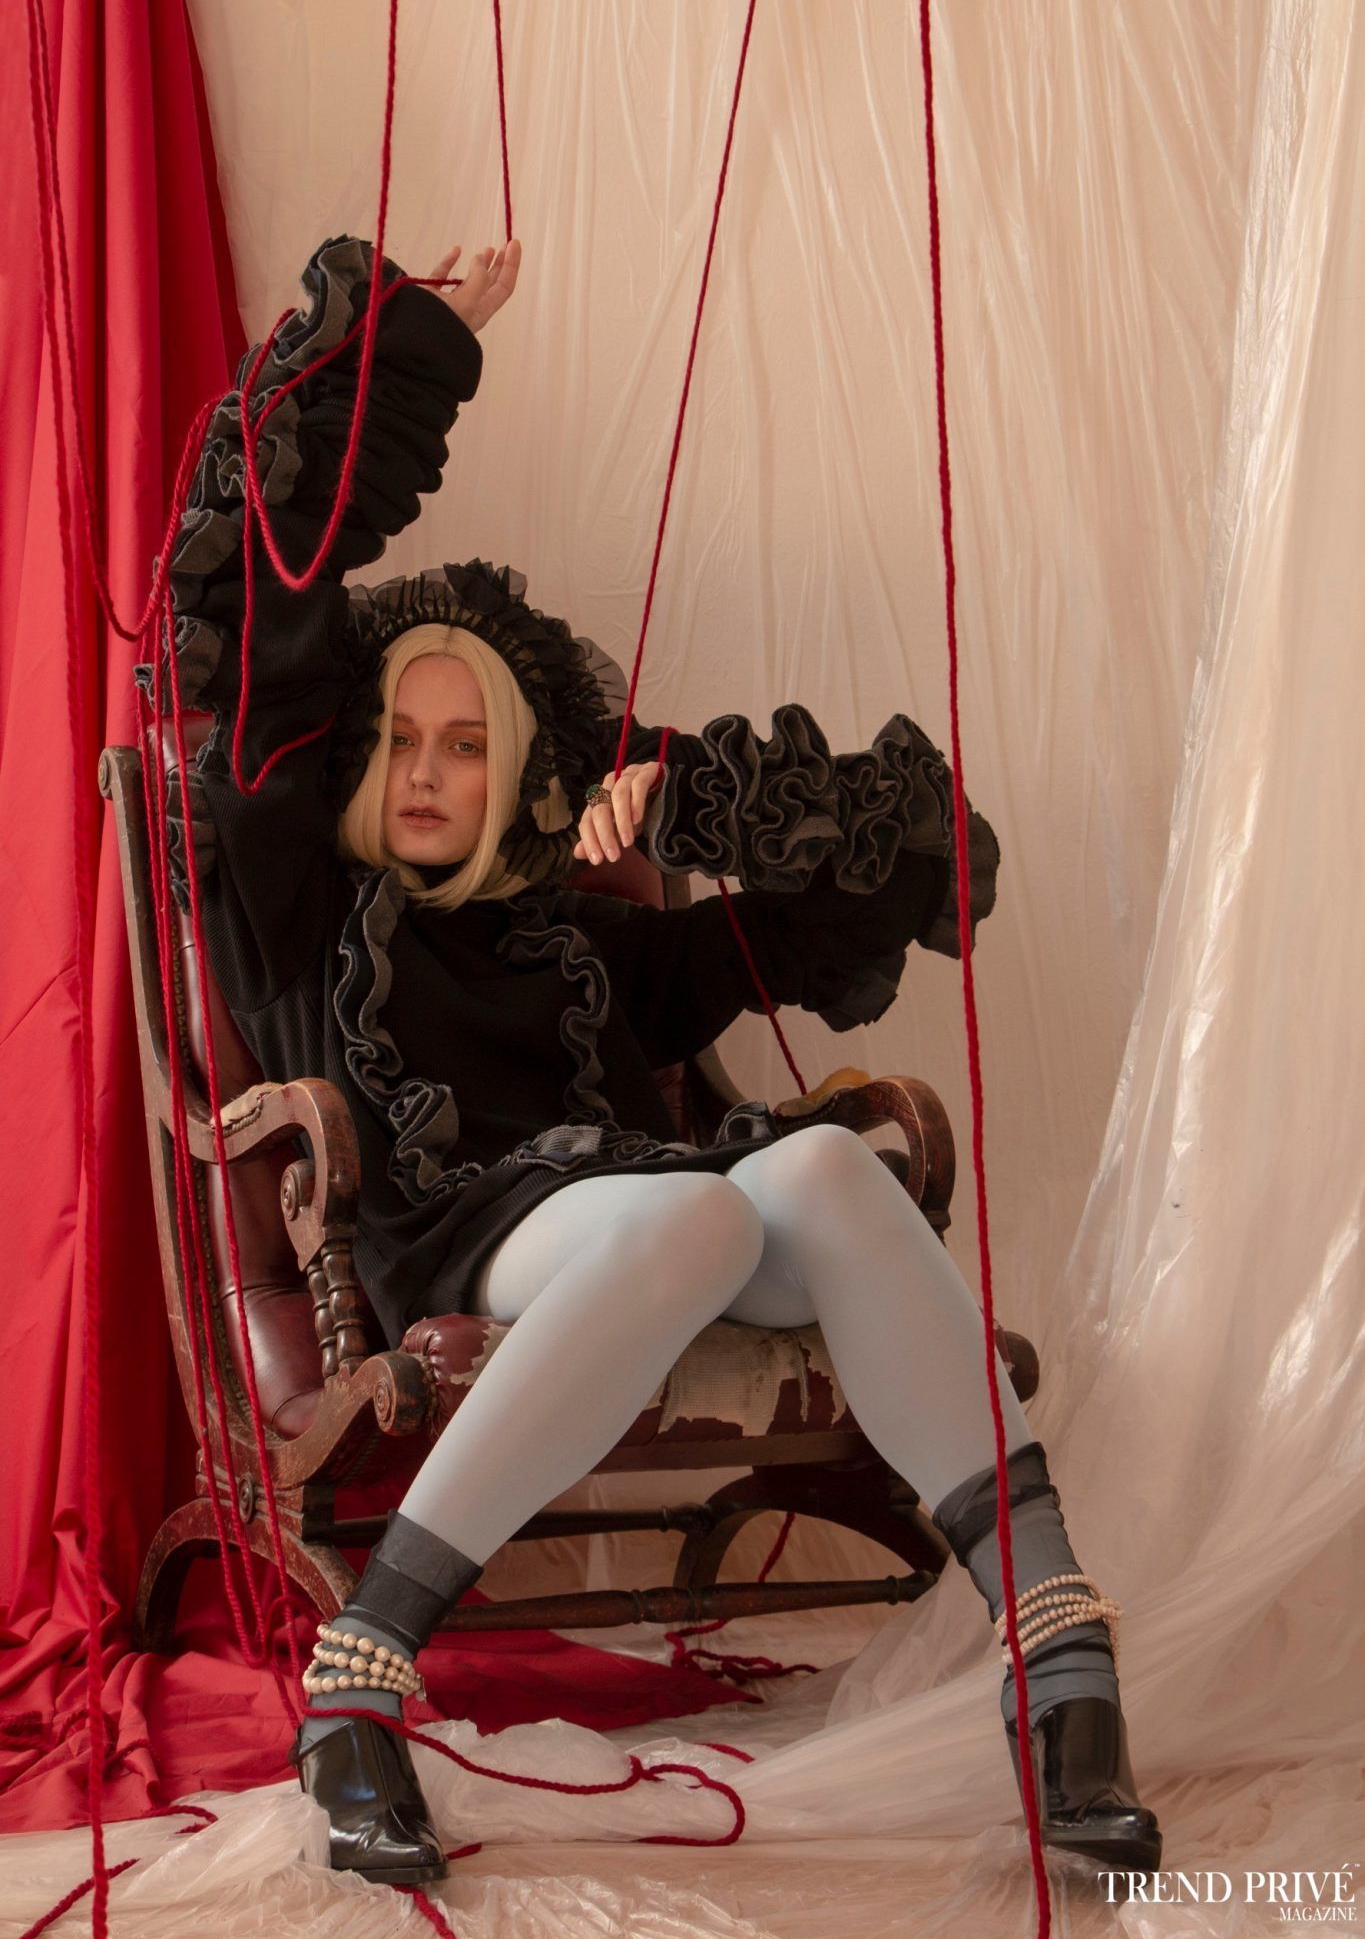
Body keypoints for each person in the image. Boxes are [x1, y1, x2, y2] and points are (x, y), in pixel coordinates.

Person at [138, 230, 1162, 1889]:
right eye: (398, 736)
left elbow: (915, 857)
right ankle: (364, 1667)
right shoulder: (297, 900)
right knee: (704, 1207)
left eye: (469, 744)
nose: (427, 770)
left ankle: (1054, 1632)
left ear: (522, 774)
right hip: (461, 1236)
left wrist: (691, 810)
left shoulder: (592, 945)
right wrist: (394, 355)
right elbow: (255, 604)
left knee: (818, 1164)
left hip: (672, 1223)